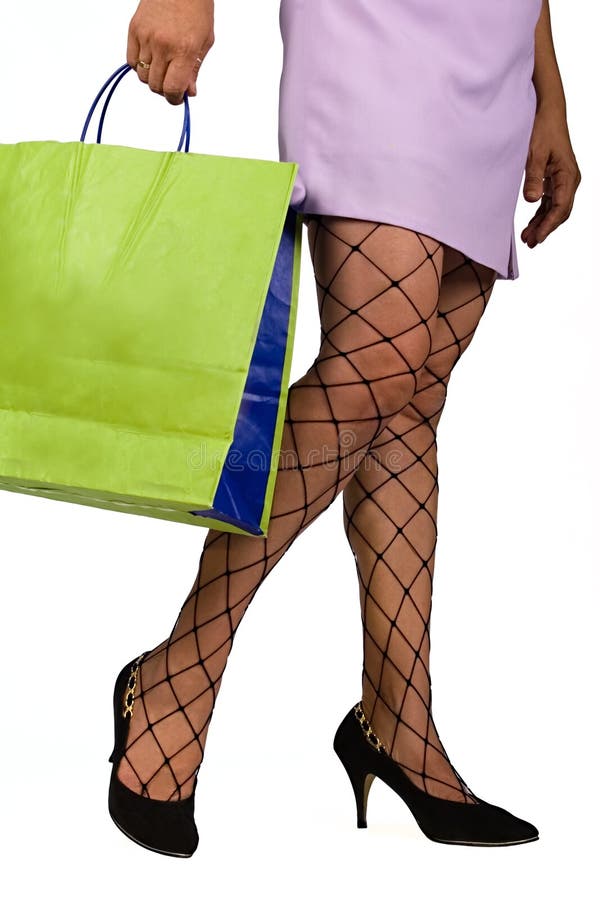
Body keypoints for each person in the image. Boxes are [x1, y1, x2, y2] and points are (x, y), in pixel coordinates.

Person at [108, 0, 581, 857]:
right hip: (375, 28)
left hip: (497, 52)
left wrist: (548, 91)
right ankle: (178, 672)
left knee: (411, 397)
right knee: (378, 365)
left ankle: (399, 723)